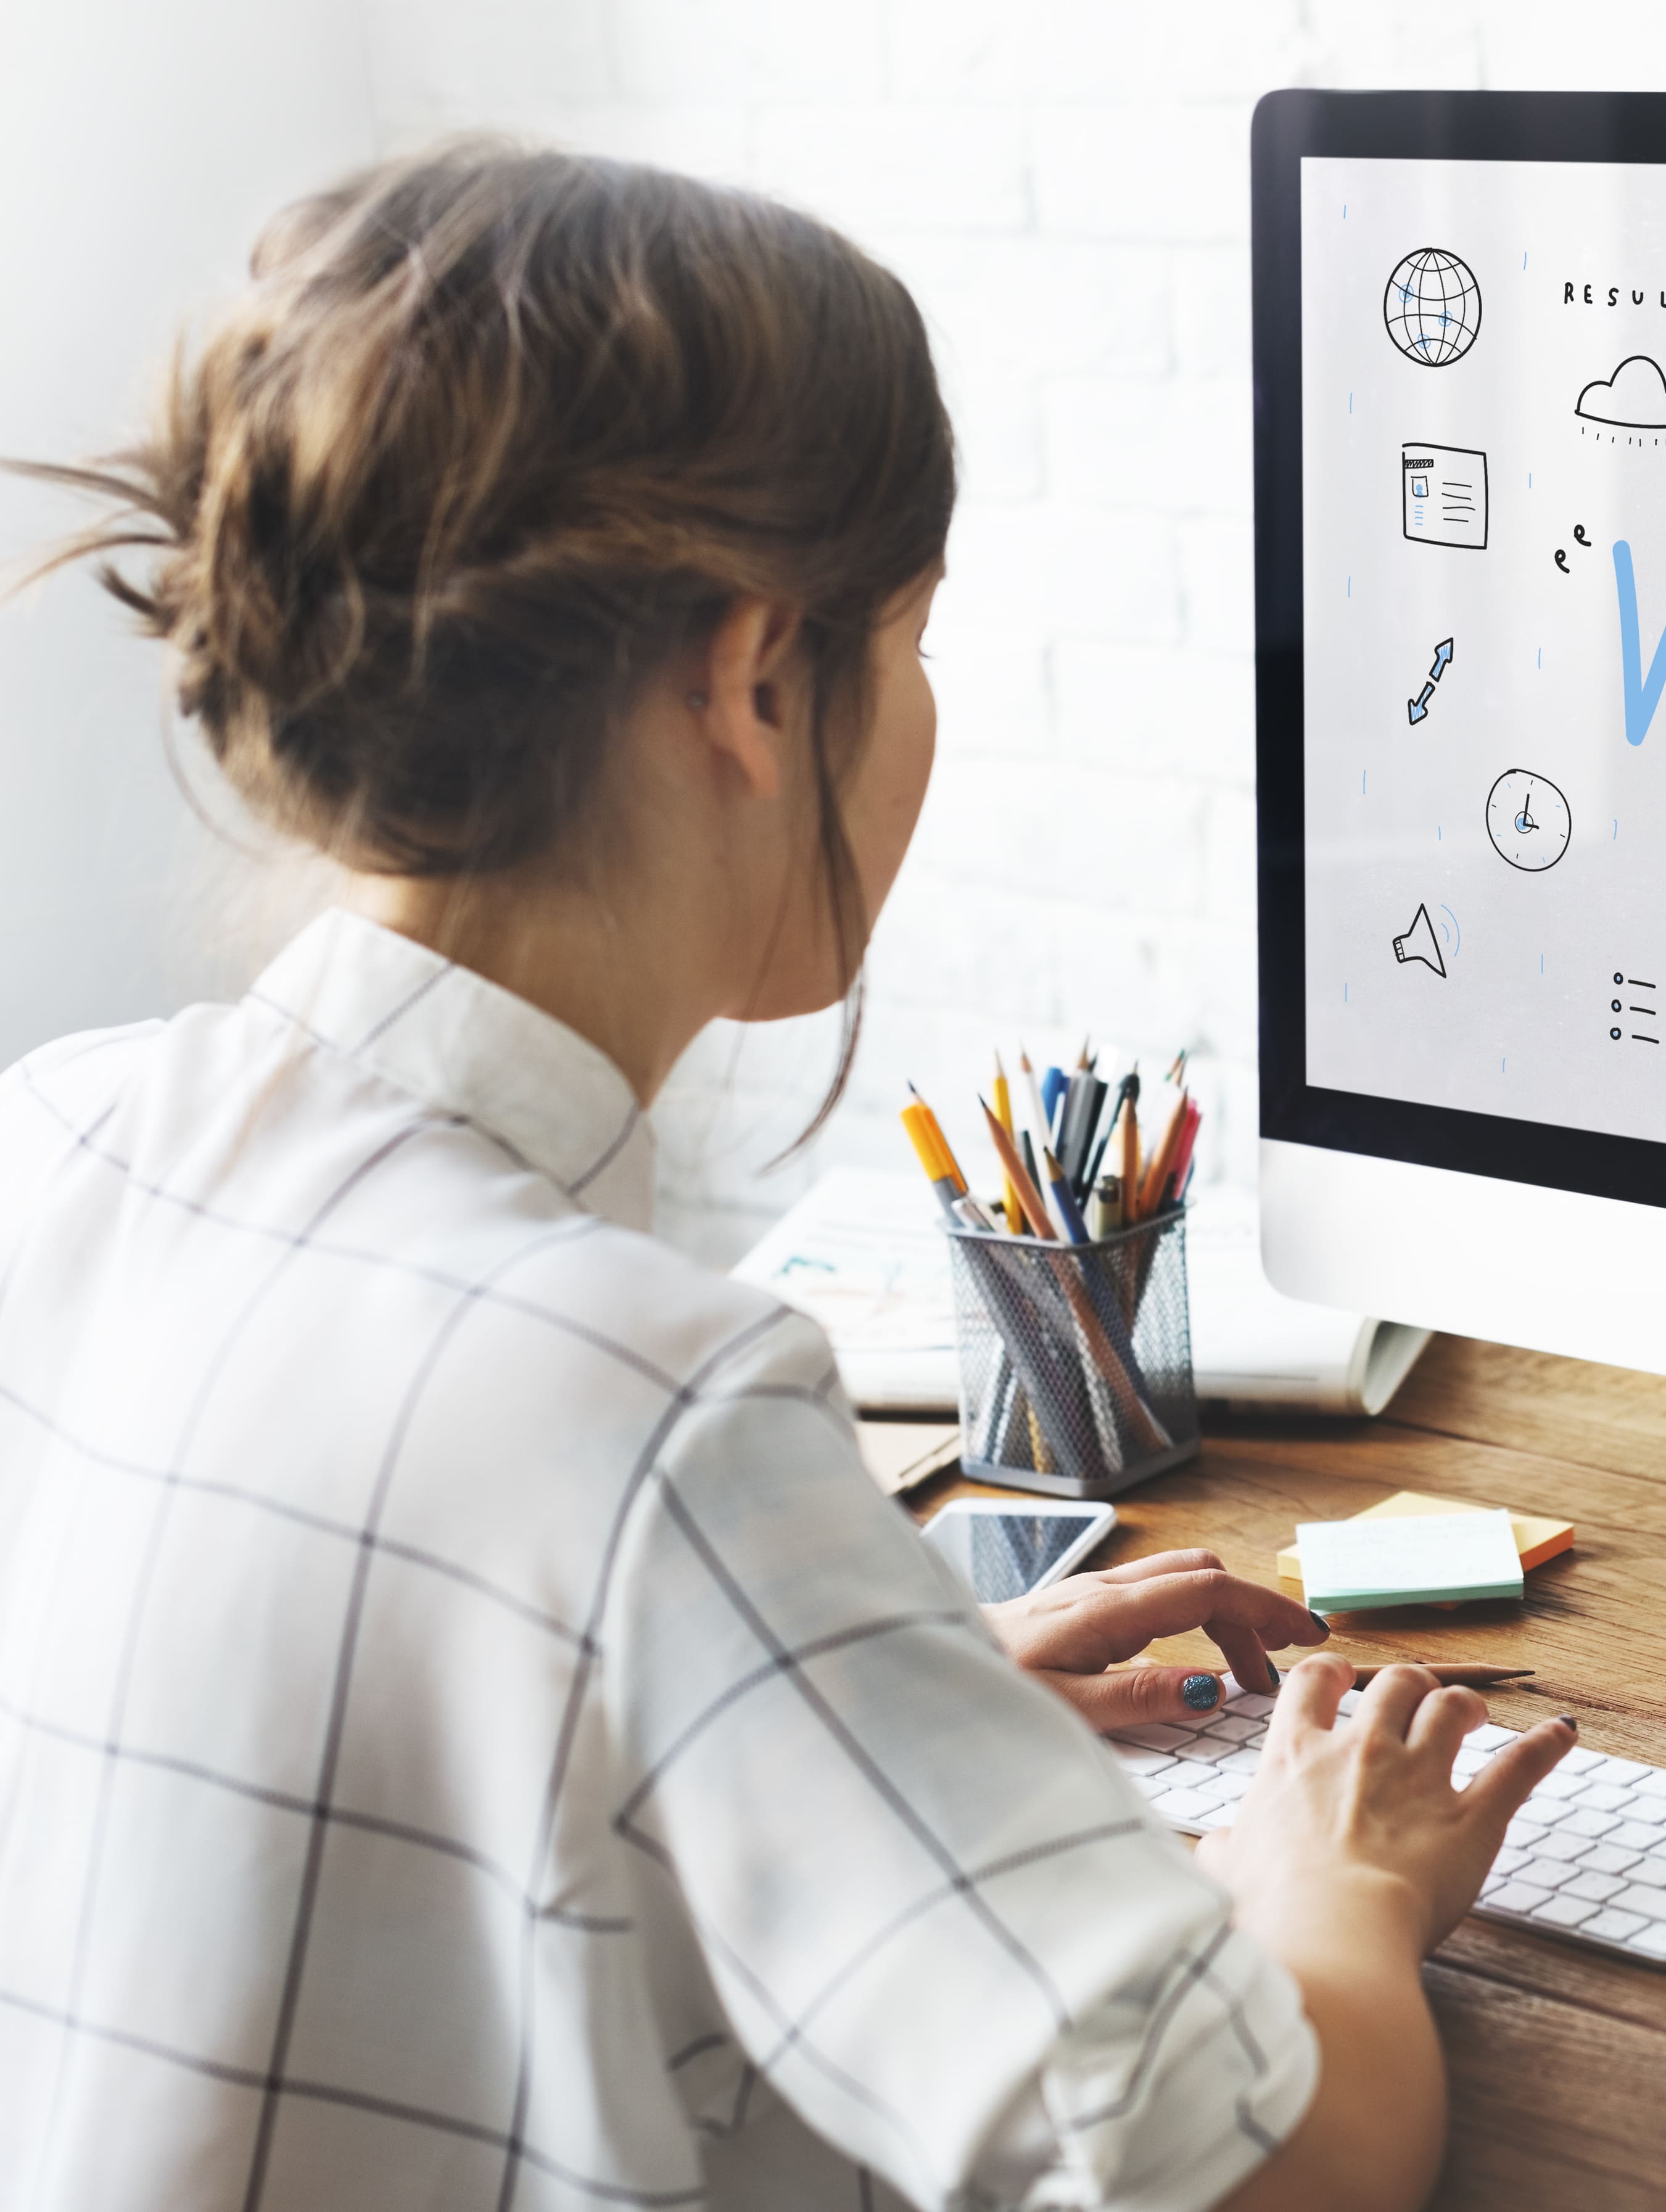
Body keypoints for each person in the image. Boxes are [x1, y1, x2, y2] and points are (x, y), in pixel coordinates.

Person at [0, 142, 1569, 2212]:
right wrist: (1327, 1881)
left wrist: (847, 1692)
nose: (916, 716)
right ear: (751, 682)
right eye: (907, 643)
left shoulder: (57, 1136)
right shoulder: (651, 1405)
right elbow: (1274, 2166)